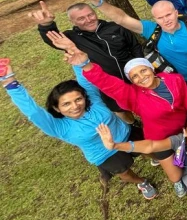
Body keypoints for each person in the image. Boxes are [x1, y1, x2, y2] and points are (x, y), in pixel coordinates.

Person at [0, 59, 157, 199]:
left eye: (78, 99)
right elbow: (33, 111)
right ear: (57, 108)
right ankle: (142, 182)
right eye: (66, 104)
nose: (75, 106)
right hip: (105, 154)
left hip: (126, 134)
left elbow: (84, 76)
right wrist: (10, 82)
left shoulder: (93, 100)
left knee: (149, 150)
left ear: (84, 97)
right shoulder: (59, 127)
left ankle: (155, 158)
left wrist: (76, 58)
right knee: (125, 173)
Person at [60, 45, 187, 196]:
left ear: (151, 69)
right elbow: (108, 83)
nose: (141, 77)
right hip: (159, 139)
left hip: (185, 128)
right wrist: (86, 65)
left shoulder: (174, 79)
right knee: (176, 176)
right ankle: (177, 182)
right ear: (131, 81)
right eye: (134, 76)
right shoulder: (133, 95)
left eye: (143, 70)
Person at [67, 0, 187, 91]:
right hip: (171, 77)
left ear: (176, 13)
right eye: (160, 18)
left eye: (168, 15)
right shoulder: (151, 29)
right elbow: (121, 18)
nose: (166, 20)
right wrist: (96, 0)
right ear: (155, 19)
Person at [29, 0, 142, 124]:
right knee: (120, 109)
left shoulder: (115, 28)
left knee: (146, 102)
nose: (88, 20)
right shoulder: (72, 38)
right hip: (106, 84)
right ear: (72, 21)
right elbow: (54, 39)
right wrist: (47, 25)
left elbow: (135, 47)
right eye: (81, 18)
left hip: (135, 76)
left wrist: (140, 65)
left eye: (90, 15)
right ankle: (133, 124)